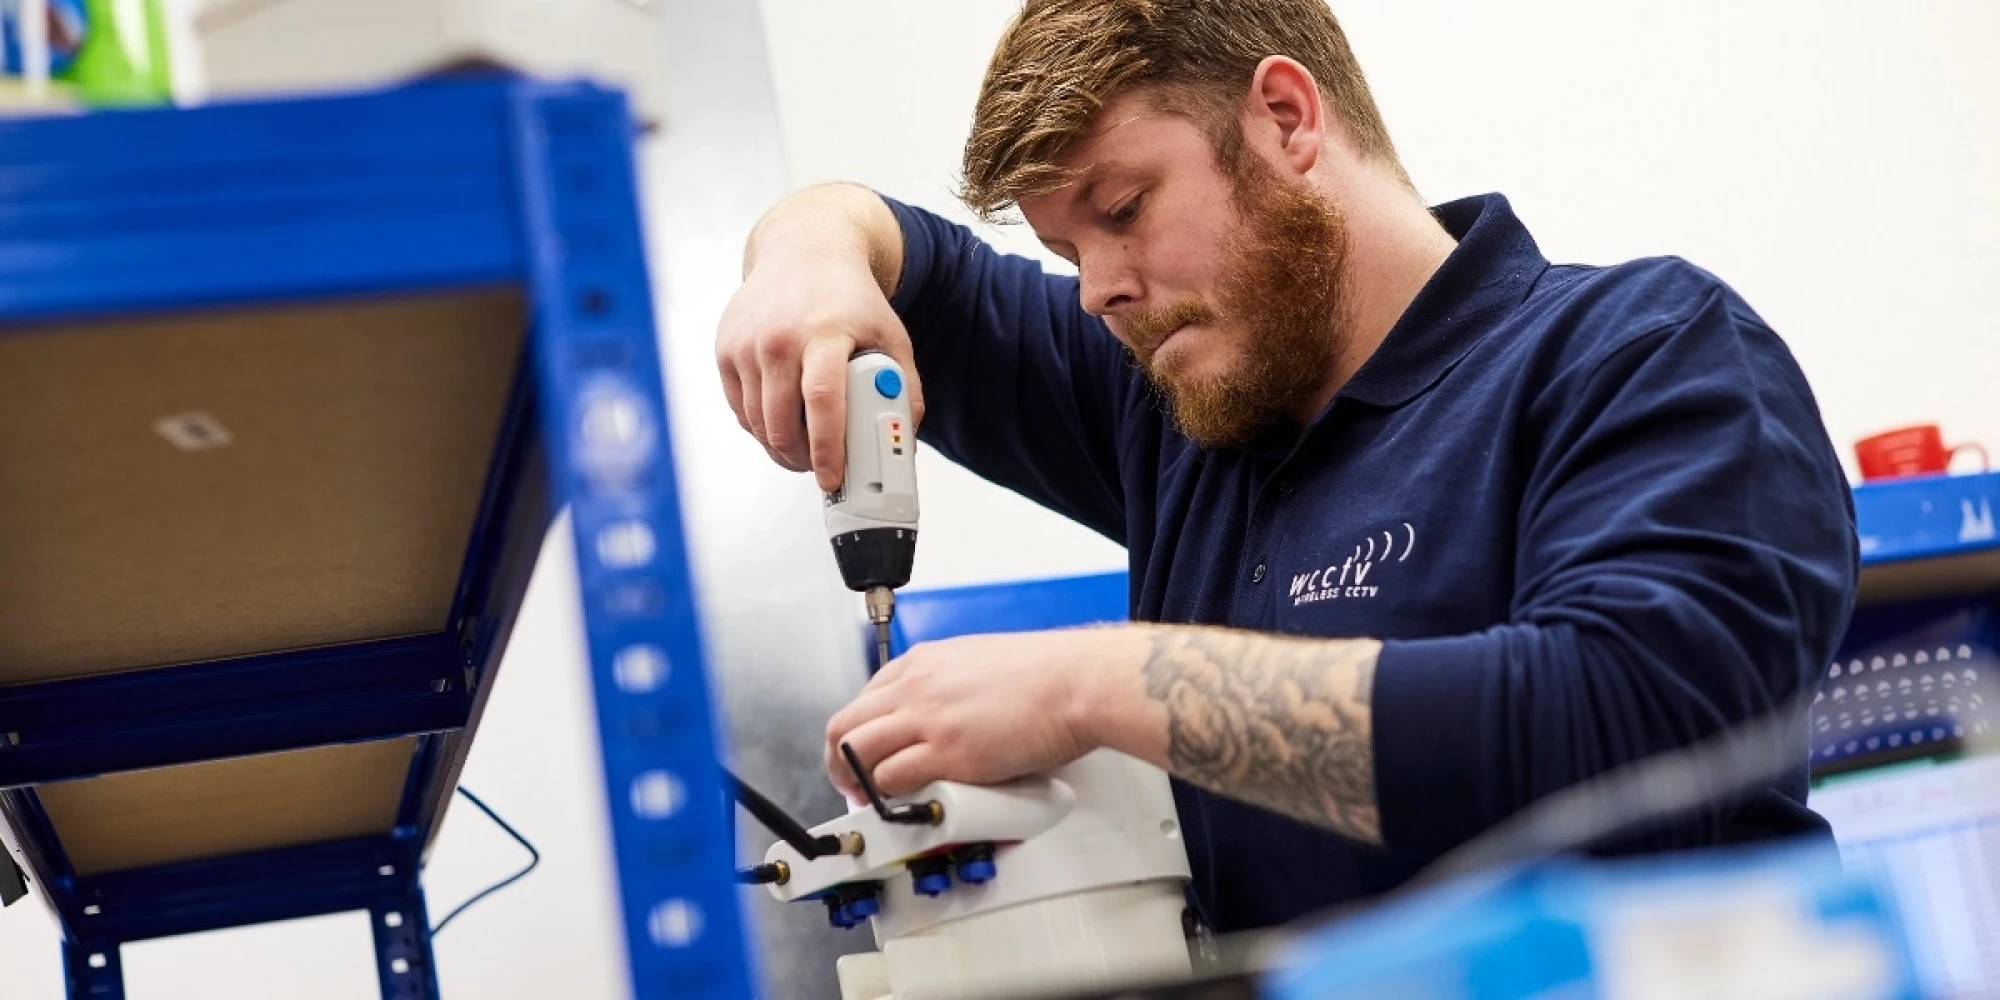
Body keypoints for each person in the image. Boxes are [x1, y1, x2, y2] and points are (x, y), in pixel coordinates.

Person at [715, 0, 1857, 934]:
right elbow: (909, 264)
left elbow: (1621, 722)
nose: (1096, 288)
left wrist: (1089, 684)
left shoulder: (1640, 352)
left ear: (1283, 116)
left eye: (1123, 209)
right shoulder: (1181, 402)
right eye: (1066, 250)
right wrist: (801, 254)